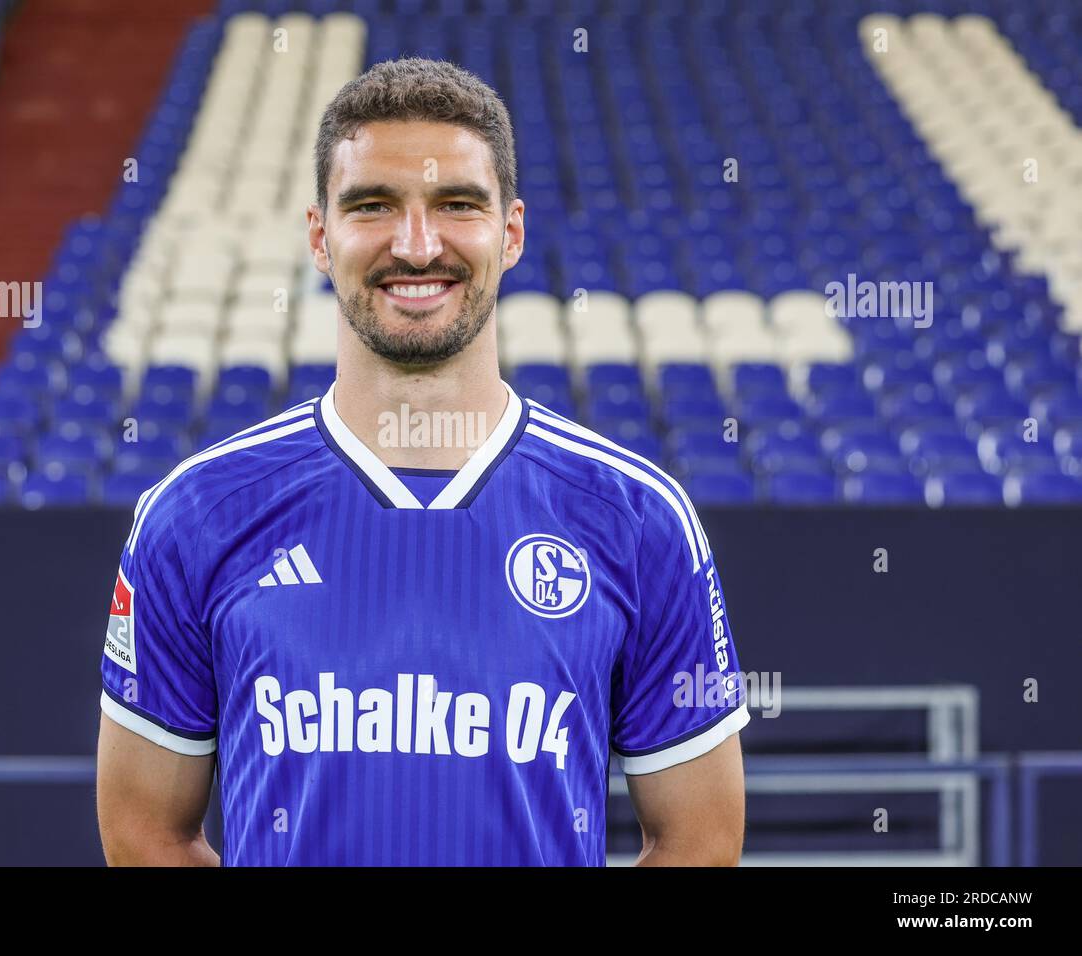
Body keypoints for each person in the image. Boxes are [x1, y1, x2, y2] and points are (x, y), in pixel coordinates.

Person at [96, 56, 747, 866]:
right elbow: (142, 833)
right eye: (373, 206)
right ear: (319, 235)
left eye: (456, 206)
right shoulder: (193, 516)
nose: (416, 244)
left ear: (510, 233)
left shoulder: (640, 520)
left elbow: (702, 841)